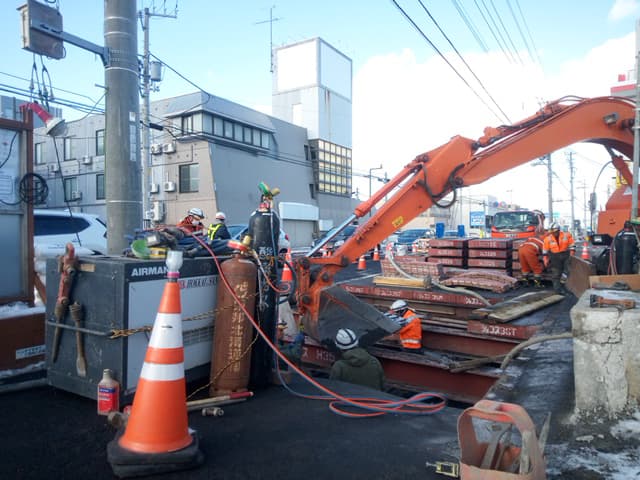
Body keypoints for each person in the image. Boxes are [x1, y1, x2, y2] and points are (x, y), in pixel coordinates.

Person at [542, 222, 575, 294]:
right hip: (554, 257)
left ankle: (563, 286)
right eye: (552, 232)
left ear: (558, 230)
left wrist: (571, 254)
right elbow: (545, 251)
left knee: (566, 272)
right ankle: (557, 290)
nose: (553, 234)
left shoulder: (567, 235)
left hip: (566, 255)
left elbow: (572, 245)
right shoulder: (547, 239)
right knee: (556, 274)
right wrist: (545, 259)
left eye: (555, 232)